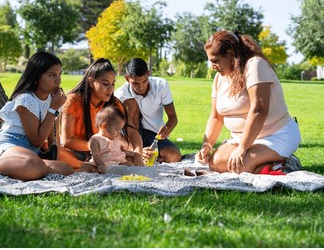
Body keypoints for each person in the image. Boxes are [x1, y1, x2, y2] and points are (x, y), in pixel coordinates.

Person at [0, 51, 74, 185]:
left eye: (59, 74)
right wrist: (52, 109)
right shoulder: (26, 100)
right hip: (9, 145)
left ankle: (11, 171)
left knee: (65, 168)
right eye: (52, 75)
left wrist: (54, 155)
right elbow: (37, 141)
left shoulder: (53, 100)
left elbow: (52, 141)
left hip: (30, 154)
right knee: (36, 167)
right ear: (37, 77)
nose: (58, 80)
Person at [196, 30, 301, 174]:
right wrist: (207, 145)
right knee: (215, 163)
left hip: (275, 135)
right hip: (241, 138)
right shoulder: (219, 78)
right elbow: (216, 117)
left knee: (241, 167)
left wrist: (242, 148)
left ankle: (286, 162)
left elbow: (259, 110)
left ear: (231, 54)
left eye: (215, 60)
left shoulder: (256, 65)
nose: (212, 66)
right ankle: (266, 163)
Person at [58, 58, 143, 170]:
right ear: (91, 81)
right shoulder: (73, 100)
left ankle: (92, 166)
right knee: (56, 152)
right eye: (105, 84)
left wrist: (137, 153)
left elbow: (131, 131)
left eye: (113, 84)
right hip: (77, 152)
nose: (110, 89)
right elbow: (67, 141)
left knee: (132, 160)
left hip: (106, 153)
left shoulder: (114, 103)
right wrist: (97, 146)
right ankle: (84, 165)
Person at [115, 58, 182, 163]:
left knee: (174, 156)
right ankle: (138, 153)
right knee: (130, 102)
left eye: (144, 81)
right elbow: (117, 128)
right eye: (135, 83)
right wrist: (135, 149)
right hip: (132, 135)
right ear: (127, 78)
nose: (141, 87)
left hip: (154, 135)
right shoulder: (120, 95)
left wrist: (167, 129)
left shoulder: (161, 85)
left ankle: (149, 157)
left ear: (149, 74)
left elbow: (173, 117)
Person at [86, 106, 134, 174]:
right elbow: (95, 154)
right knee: (86, 167)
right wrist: (100, 165)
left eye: (120, 129)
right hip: (103, 165)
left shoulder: (116, 138)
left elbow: (121, 150)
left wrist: (133, 154)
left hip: (118, 163)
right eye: (117, 129)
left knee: (130, 164)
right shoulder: (96, 139)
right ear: (104, 126)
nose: (119, 132)